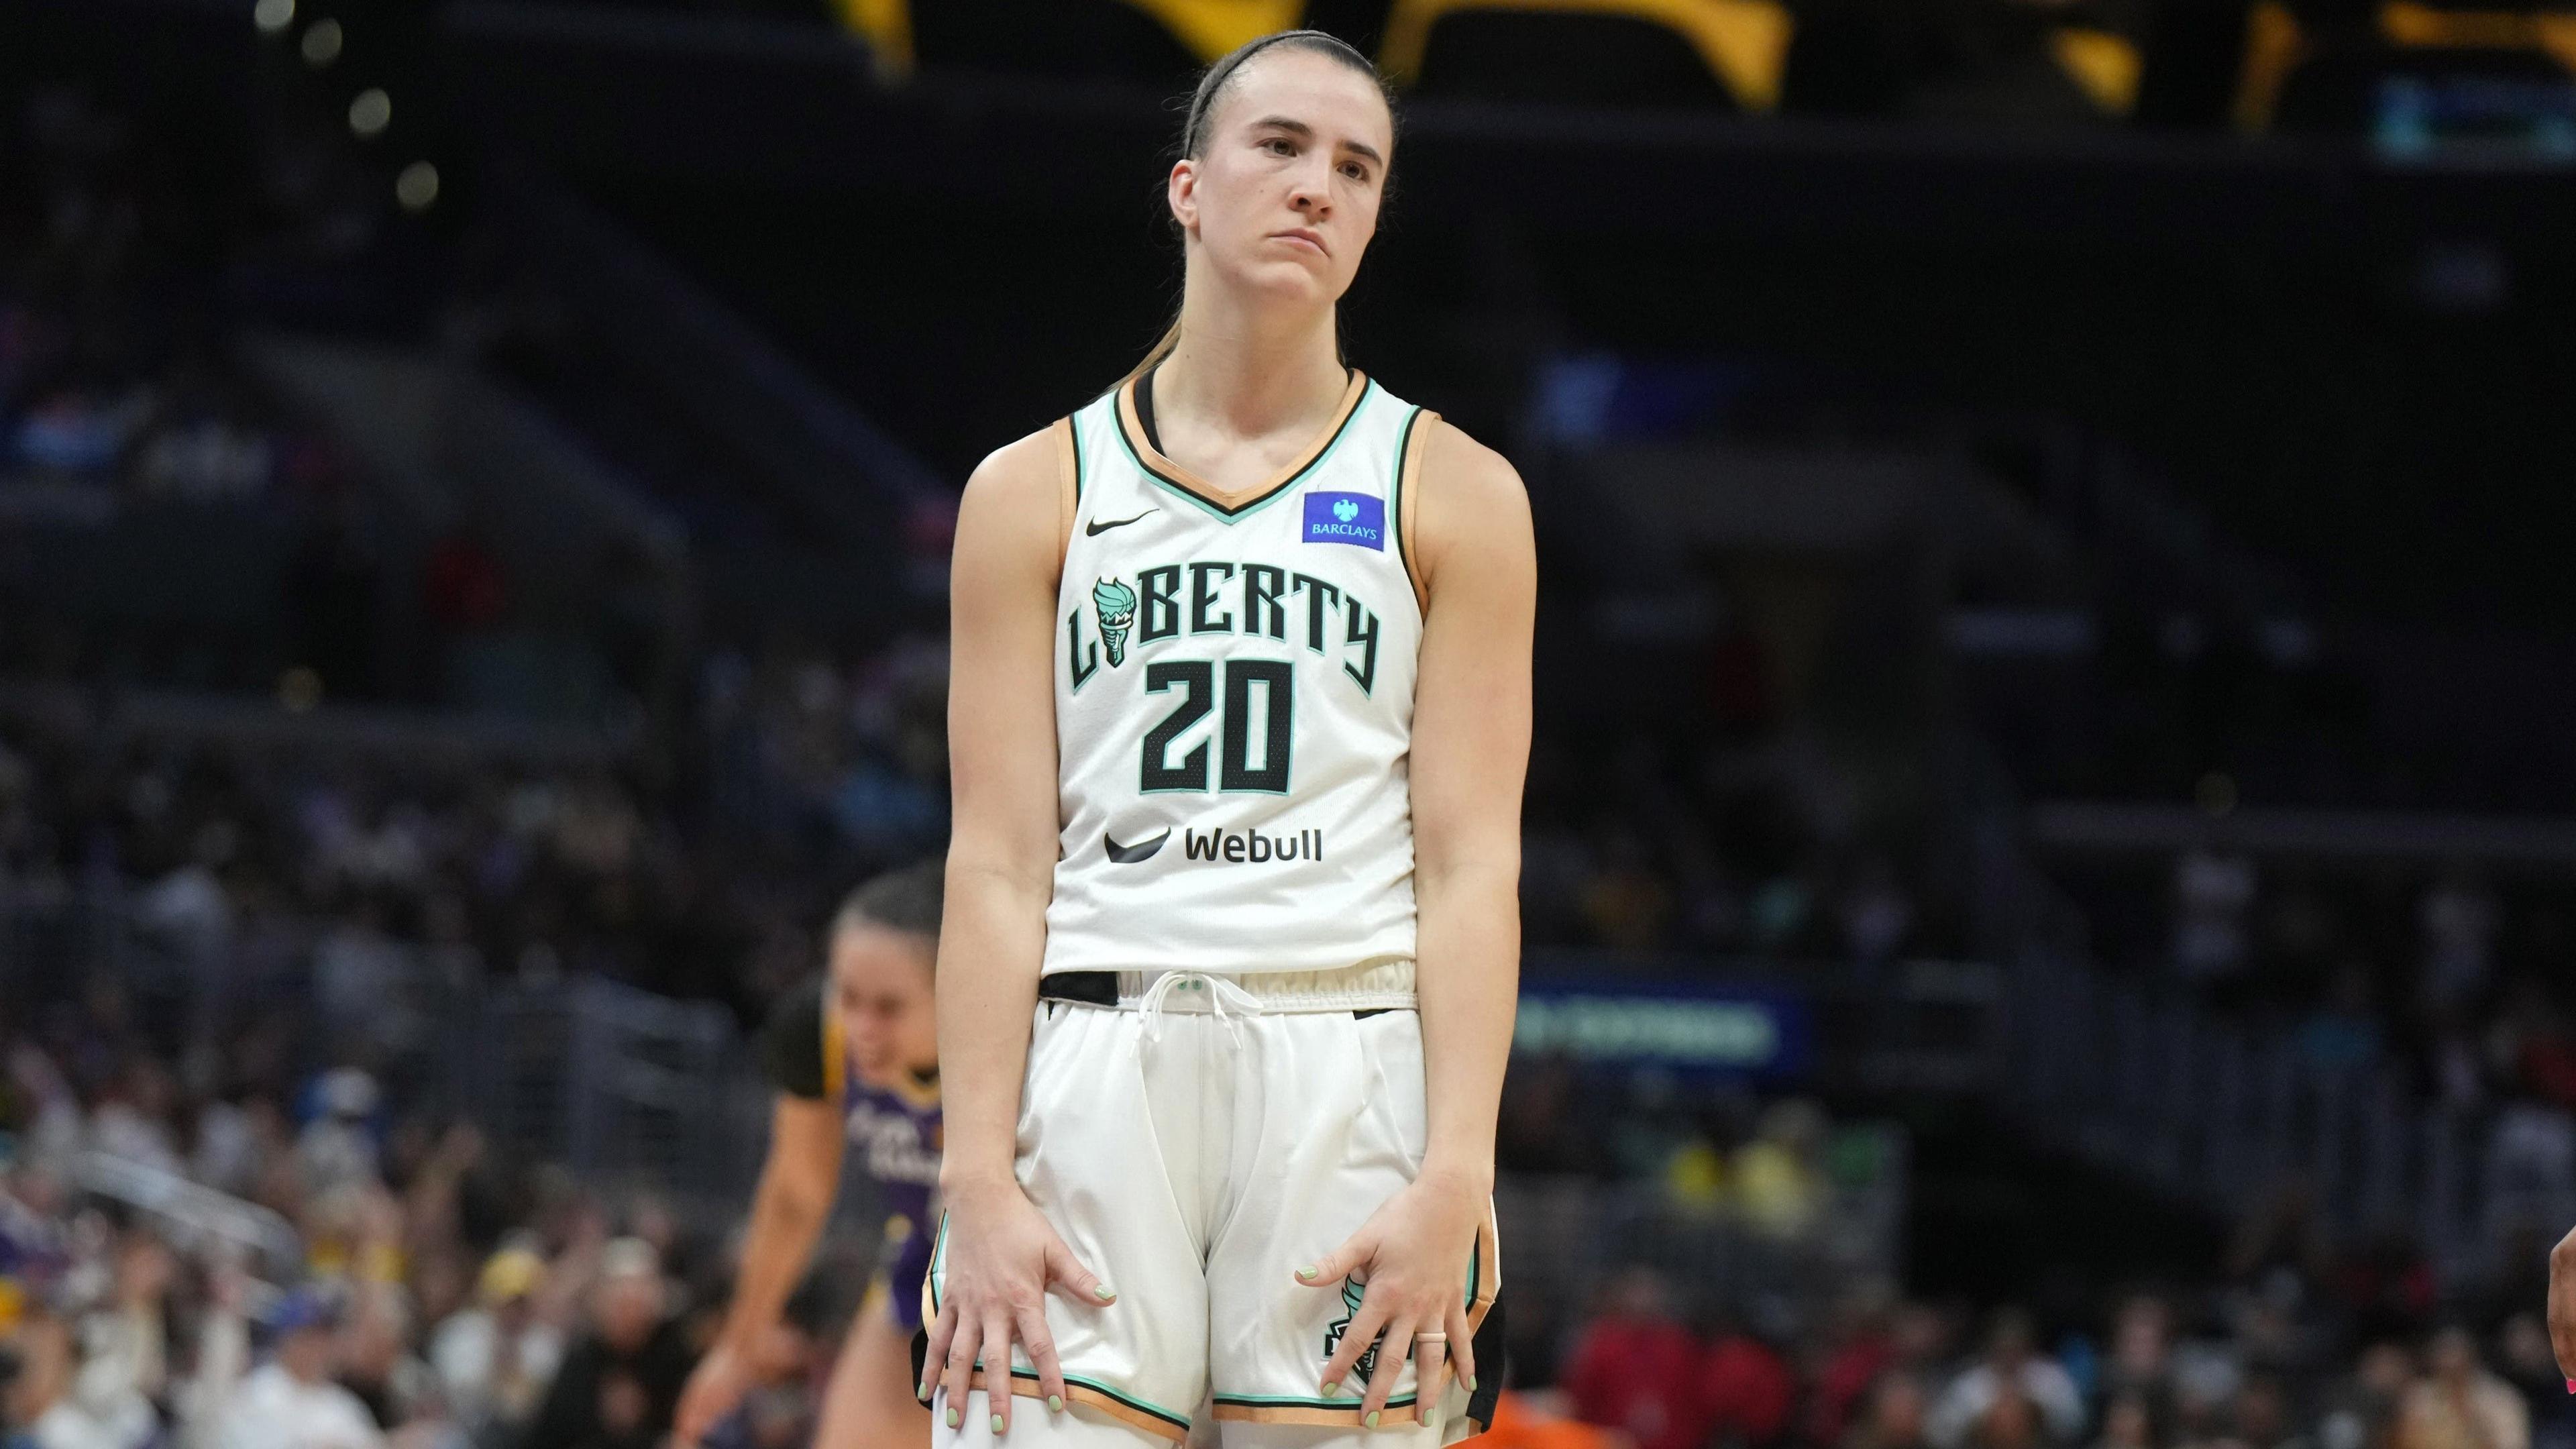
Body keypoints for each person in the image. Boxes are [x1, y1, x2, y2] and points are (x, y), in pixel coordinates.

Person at [924, 26, 1535, 1448]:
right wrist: (975, 1175)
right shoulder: (1031, 491)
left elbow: (1471, 869)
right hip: (1093, 1047)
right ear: (1189, 188)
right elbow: (998, 865)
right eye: (1281, 147)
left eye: (1356, 167)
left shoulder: (1455, 490)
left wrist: (1459, 1171)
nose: (1318, 186)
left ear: (1377, 222)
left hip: (1351, 1050)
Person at [673, 862, 947, 1447]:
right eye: (848, 996)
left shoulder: (1036, 1042)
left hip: (1041, 1281)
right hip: (926, 1264)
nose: (862, 1027)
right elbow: (796, 1196)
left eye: (889, 1007)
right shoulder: (816, 1032)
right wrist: (738, 1350)